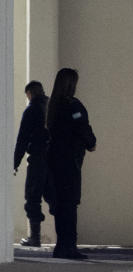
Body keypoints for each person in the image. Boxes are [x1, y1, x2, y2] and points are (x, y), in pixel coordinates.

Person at [46, 68, 97, 260]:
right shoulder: (73, 106)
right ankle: (69, 246)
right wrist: (91, 143)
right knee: (70, 203)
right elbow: (82, 127)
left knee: (60, 204)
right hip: (70, 162)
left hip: (54, 160)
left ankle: (61, 246)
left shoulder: (53, 105)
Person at [13, 81, 55, 247]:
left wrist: (14, 162)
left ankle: (35, 237)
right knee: (54, 197)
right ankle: (66, 237)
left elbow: (22, 139)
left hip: (37, 159)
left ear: (29, 93)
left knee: (32, 197)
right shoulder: (52, 107)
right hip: (53, 160)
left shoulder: (31, 110)